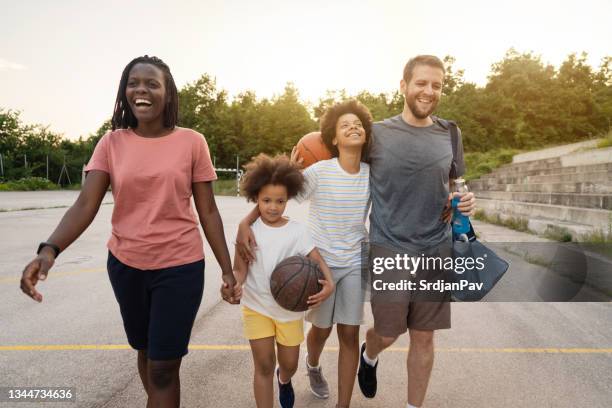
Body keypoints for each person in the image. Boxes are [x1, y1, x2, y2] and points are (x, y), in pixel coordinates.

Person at [19, 55, 239, 408]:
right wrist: (49, 250)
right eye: (133, 83)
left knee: (165, 367)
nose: (141, 90)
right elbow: (85, 205)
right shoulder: (111, 143)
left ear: (168, 94)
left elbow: (209, 211)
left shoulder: (192, 142)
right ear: (124, 92)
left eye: (152, 83)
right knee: (147, 351)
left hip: (180, 266)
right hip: (126, 265)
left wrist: (227, 270)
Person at [357, 55, 476, 408]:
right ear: (404, 86)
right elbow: (340, 164)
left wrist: (464, 200)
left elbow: (456, 184)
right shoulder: (375, 133)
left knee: (424, 338)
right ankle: (370, 353)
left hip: (436, 248)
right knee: (390, 332)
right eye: (421, 83)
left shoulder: (451, 134)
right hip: (389, 246)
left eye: (436, 85)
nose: (429, 91)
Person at [231, 153, 335, 408]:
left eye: (280, 201)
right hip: (257, 307)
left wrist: (329, 282)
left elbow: (317, 260)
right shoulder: (248, 232)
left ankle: (285, 379)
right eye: (266, 200)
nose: (273, 207)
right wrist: (234, 283)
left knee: (289, 363)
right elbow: (239, 269)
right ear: (255, 197)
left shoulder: (297, 231)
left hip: (289, 311)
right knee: (263, 364)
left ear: (288, 199)